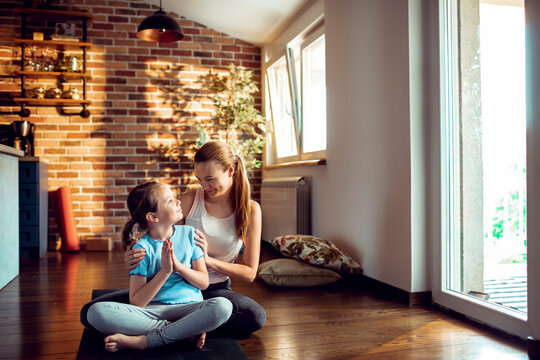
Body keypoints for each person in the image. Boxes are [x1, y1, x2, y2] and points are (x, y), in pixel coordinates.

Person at [80, 141, 266, 338]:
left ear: (230, 170)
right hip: (165, 285)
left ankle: (158, 329)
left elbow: (249, 273)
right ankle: (186, 329)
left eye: (210, 179)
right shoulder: (190, 200)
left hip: (212, 290)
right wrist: (134, 253)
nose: (204, 186)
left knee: (254, 317)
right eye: (199, 179)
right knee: (89, 313)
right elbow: (160, 228)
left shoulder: (251, 210)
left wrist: (207, 260)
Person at [85, 181, 233, 352]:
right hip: (153, 311)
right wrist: (165, 272)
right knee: (96, 313)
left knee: (223, 307)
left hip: (189, 309)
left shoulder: (190, 234)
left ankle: (145, 341)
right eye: (170, 200)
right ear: (153, 217)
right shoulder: (140, 249)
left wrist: (179, 267)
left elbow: (203, 283)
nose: (177, 201)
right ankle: (181, 332)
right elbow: (137, 302)